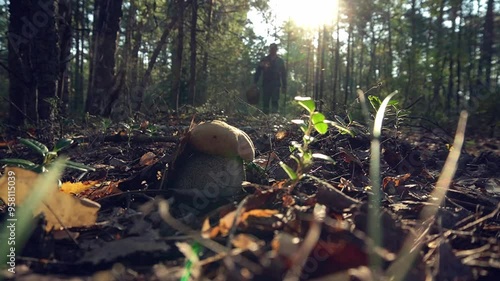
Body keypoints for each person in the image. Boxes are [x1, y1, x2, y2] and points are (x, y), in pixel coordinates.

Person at [254, 43, 287, 114]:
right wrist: (255, 82)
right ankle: (265, 118)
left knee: (275, 101)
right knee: (265, 101)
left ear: (276, 50)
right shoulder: (265, 60)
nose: (273, 50)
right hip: (266, 84)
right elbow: (258, 71)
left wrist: (284, 86)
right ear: (270, 49)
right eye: (271, 49)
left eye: (274, 49)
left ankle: (274, 118)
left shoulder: (280, 61)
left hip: (276, 84)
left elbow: (283, 74)